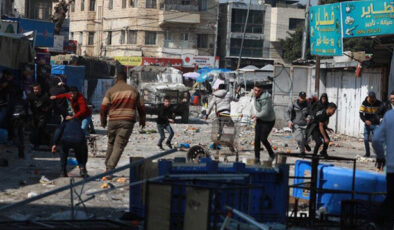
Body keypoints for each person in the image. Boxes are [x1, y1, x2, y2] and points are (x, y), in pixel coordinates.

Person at [100, 71, 146, 175]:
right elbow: (141, 107)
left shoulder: (110, 91)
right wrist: (142, 120)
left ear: (116, 79)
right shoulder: (133, 91)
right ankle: (110, 168)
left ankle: (107, 165)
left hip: (112, 121)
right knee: (119, 145)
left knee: (111, 143)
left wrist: (103, 121)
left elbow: (103, 107)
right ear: (126, 79)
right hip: (127, 121)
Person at [372, 109, 394, 230]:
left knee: (391, 199)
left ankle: (380, 222)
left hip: (392, 167)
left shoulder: (390, 115)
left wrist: (381, 156)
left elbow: (376, 140)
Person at [205, 84, 238, 151]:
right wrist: (237, 93)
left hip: (219, 114)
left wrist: (207, 114)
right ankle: (230, 144)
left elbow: (210, 105)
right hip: (226, 114)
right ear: (225, 88)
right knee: (233, 129)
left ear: (218, 88)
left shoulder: (215, 95)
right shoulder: (228, 94)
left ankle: (215, 144)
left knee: (220, 130)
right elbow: (236, 99)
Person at [252, 83, 276, 163]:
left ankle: (272, 154)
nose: (256, 92)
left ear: (261, 91)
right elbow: (254, 107)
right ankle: (257, 158)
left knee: (263, 138)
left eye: (258, 91)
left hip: (268, 121)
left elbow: (265, 112)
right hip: (260, 119)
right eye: (255, 90)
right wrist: (253, 114)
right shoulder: (255, 96)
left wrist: (256, 115)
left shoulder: (266, 99)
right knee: (257, 139)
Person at [27, 83, 51, 150]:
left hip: (43, 116)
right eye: (34, 89)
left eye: (37, 89)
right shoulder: (30, 96)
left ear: (40, 89)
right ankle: (40, 143)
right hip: (34, 116)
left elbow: (51, 104)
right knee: (36, 130)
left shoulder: (45, 96)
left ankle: (39, 144)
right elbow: (28, 105)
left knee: (40, 129)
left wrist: (47, 108)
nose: (36, 90)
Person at [360, 91, 382, 157]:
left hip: (376, 124)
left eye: (373, 98)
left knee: (375, 140)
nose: (372, 99)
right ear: (369, 97)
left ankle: (377, 153)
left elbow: (382, 113)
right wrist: (365, 120)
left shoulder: (379, 103)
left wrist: (380, 119)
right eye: (371, 98)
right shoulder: (364, 103)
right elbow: (361, 114)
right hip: (367, 124)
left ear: (375, 97)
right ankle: (367, 153)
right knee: (366, 139)